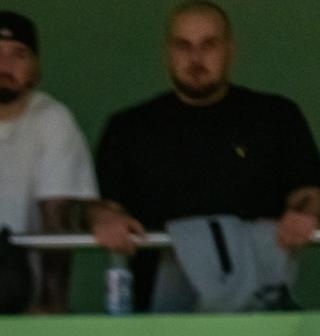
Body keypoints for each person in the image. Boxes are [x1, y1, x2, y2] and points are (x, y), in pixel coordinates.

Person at [95, 2, 320, 311]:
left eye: (209, 45)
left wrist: (305, 214)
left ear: (230, 49)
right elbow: (103, 207)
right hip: (156, 319)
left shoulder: (277, 117)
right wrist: (106, 219)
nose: (196, 58)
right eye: (183, 46)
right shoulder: (128, 128)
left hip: (260, 311)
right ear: (167, 53)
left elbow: (308, 192)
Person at [0, 9, 128, 314]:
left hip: (32, 296)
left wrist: (52, 308)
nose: (5, 65)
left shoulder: (54, 120)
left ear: (35, 69)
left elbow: (56, 219)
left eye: (19, 55)